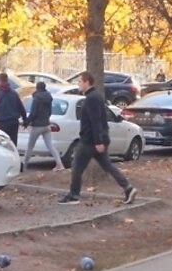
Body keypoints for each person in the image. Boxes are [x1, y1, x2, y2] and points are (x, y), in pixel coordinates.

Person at [58, 71, 137, 205]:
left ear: (87, 82)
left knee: (77, 167)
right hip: (96, 140)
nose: (78, 84)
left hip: (89, 141)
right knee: (108, 166)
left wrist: (98, 141)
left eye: (80, 81)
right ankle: (128, 188)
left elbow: (96, 121)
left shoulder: (91, 99)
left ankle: (73, 195)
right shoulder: (96, 97)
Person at [23, 79, 63, 170]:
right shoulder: (49, 98)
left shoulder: (36, 99)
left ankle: (24, 167)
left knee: (30, 147)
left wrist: (26, 122)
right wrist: (46, 119)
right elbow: (49, 112)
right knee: (50, 146)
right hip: (46, 125)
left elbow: (33, 113)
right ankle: (60, 164)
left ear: (37, 88)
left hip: (37, 126)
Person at [0, 72, 26, 148]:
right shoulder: (14, 94)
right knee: (13, 145)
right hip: (14, 123)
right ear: (7, 80)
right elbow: (21, 107)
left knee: (3, 145)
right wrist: (25, 119)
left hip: (3, 123)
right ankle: (13, 158)